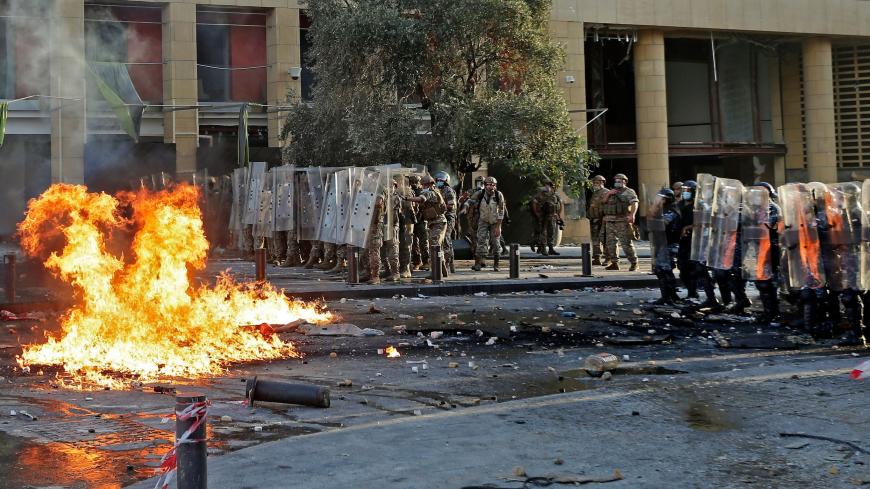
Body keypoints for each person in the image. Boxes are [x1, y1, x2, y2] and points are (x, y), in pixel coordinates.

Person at [404, 175, 448, 277]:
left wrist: (407, 198)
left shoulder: (430, 193)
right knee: (437, 247)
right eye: (423, 184)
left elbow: (421, 199)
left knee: (434, 246)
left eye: (425, 184)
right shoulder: (431, 192)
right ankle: (442, 270)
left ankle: (436, 272)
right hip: (434, 223)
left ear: (430, 185)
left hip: (438, 222)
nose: (423, 186)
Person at [461, 176, 506, 272]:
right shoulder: (480, 193)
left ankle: (496, 265)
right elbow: (470, 201)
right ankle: (478, 264)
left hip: (495, 222)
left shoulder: (499, 195)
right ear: (485, 185)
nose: (491, 187)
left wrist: (499, 226)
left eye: (493, 185)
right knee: (481, 241)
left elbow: (501, 211)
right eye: (489, 185)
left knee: (496, 242)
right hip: (483, 221)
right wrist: (465, 207)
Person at [647, 188, 682, 304]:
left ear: (667, 199)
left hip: (669, 244)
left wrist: (653, 219)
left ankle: (668, 297)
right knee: (661, 270)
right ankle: (670, 296)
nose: (658, 200)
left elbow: (663, 223)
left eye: (661, 198)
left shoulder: (671, 210)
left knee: (664, 270)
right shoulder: (663, 209)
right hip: (662, 243)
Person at [601, 173, 639, 271]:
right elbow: (603, 201)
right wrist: (609, 193)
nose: (617, 182)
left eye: (619, 180)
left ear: (624, 181)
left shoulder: (629, 192)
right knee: (611, 243)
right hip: (610, 221)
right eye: (616, 180)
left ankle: (634, 263)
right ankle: (614, 263)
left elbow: (635, 203)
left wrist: (632, 215)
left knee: (626, 243)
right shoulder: (611, 192)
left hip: (622, 220)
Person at [531, 178, 563, 255]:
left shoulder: (555, 194)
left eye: (550, 185)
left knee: (551, 232)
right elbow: (534, 203)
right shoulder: (540, 194)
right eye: (548, 184)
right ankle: (543, 249)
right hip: (543, 216)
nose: (549, 186)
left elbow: (560, 205)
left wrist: (558, 215)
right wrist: (537, 214)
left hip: (552, 216)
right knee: (543, 233)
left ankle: (551, 248)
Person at [434, 171, 457, 274]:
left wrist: (439, 208)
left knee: (446, 240)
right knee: (445, 241)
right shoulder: (437, 190)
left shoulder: (448, 190)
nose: (439, 182)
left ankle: (447, 264)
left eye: (441, 180)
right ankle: (449, 264)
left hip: (448, 218)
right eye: (437, 180)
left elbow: (451, 205)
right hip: (440, 218)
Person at [460, 176, 484, 262]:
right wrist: (464, 198)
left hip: (483, 218)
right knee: (474, 237)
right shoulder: (471, 191)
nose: (479, 184)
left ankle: (482, 258)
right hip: (472, 217)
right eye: (478, 182)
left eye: (481, 182)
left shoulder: (486, 192)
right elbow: (463, 201)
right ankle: (476, 257)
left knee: (483, 238)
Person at [587, 175, 608, 265]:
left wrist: (604, 217)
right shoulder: (595, 193)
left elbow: (608, 207)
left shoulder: (606, 192)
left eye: (597, 182)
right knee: (595, 241)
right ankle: (597, 258)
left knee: (605, 240)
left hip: (602, 220)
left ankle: (608, 258)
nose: (595, 184)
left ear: (602, 183)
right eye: (594, 182)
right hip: (594, 220)